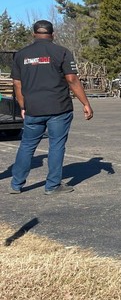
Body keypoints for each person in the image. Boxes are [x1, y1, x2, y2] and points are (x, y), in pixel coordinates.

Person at [9, 20, 94, 195]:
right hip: (59, 108)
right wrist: (85, 103)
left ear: (34, 34)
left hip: (33, 108)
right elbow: (71, 79)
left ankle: (16, 184)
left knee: (27, 145)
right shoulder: (61, 52)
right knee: (56, 145)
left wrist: (22, 105)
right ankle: (53, 185)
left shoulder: (21, 55)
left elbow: (17, 84)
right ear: (52, 34)